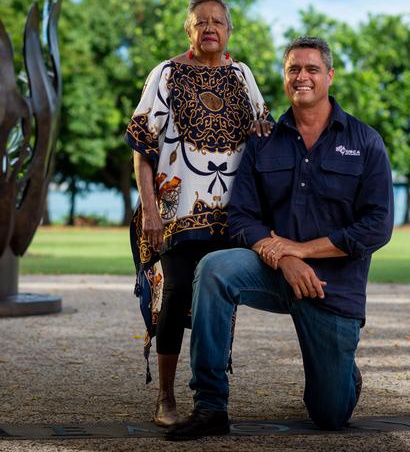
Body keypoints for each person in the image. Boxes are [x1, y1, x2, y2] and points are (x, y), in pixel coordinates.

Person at [165, 36, 394, 441]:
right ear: (285, 76)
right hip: (275, 272)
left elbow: (376, 226)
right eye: (293, 69)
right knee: (215, 269)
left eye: (311, 69)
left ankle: (342, 371)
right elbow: (242, 216)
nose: (301, 77)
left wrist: (302, 251)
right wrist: (285, 260)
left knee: (329, 415)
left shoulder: (365, 142)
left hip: (332, 289)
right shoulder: (263, 139)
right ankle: (210, 405)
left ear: (330, 76)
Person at [125, 0, 271, 427]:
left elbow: (262, 132)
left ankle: (210, 398)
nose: (210, 28)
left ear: (229, 31)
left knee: (219, 304)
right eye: (201, 21)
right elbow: (142, 148)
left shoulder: (243, 75)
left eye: (218, 22)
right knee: (174, 296)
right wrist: (150, 212)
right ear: (189, 30)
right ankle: (165, 398)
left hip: (232, 216)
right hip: (175, 213)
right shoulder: (166, 74)